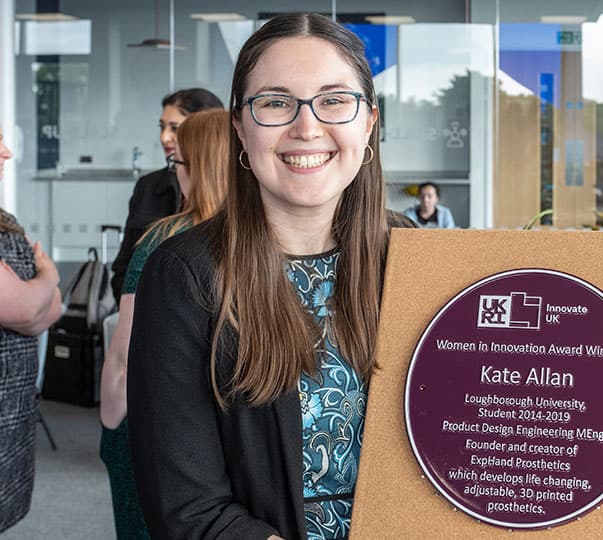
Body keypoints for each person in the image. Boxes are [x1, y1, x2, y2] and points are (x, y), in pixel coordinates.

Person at [128, 13, 408, 539]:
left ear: (369, 121)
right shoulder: (185, 276)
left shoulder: (412, 254)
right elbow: (188, 510)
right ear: (240, 125)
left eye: (333, 100)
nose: (307, 127)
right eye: (276, 103)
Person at [99, 109, 230, 539]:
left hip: (154, 425)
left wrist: (110, 426)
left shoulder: (164, 239)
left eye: (178, 163)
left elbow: (124, 356)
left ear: (201, 167)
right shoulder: (259, 242)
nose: (174, 172)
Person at [0, 126, 61, 532]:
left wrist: (36, 298)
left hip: (12, 411)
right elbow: (25, 309)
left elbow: (47, 312)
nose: (7, 153)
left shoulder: (7, 223)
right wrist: (48, 276)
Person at [110, 88, 224, 304]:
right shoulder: (148, 187)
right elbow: (123, 270)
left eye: (175, 128)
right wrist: (135, 309)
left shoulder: (246, 197)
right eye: (162, 127)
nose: (164, 137)